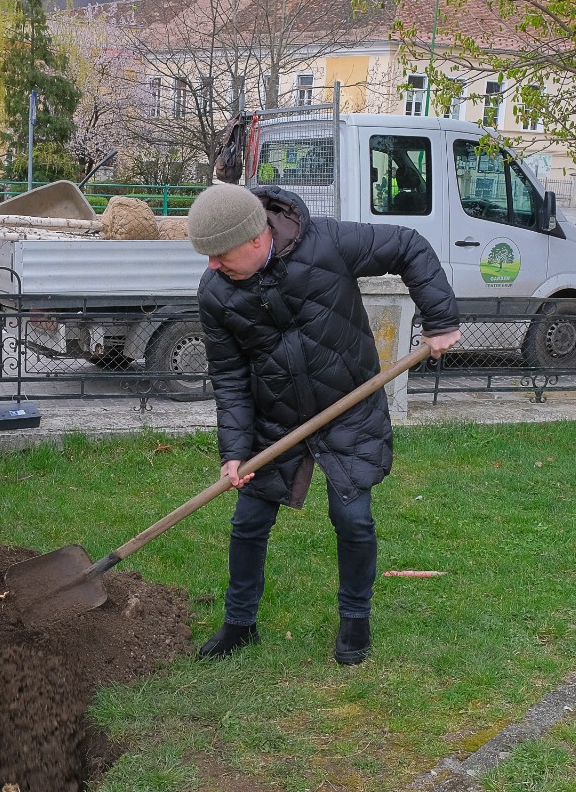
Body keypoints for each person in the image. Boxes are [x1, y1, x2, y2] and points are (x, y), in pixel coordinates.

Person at [187, 183, 461, 665]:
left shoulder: (327, 243)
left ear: (254, 238)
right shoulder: (215, 294)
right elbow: (229, 376)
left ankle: (355, 620)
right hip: (275, 416)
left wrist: (439, 320)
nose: (211, 265)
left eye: (218, 253)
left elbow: (408, 245)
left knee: (352, 519)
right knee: (249, 522)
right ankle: (239, 623)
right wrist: (234, 450)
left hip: (348, 405)